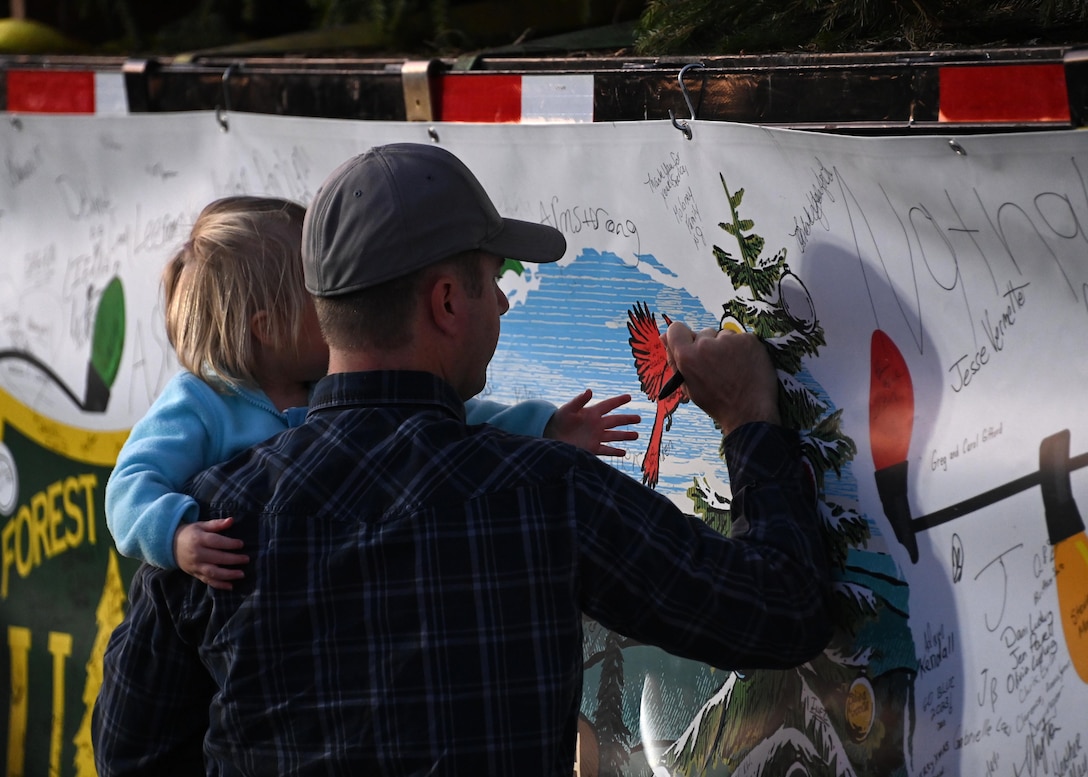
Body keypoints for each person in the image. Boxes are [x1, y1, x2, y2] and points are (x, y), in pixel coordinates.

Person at [93, 143, 832, 776]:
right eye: (494, 280)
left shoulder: (212, 520)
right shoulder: (544, 493)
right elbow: (776, 612)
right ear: (446, 300)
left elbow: (130, 754)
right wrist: (745, 422)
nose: (505, 306)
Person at [105, 195, 640, 589]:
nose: (338, 302)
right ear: (267, 328)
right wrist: (175, 536)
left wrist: (544, 427)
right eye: (318, 294)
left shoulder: (326, 389)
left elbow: (457, 419)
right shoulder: (198, 404)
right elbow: (129, 485)